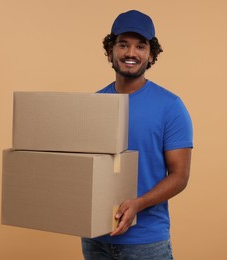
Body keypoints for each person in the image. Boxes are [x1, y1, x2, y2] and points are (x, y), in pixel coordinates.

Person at [81, 10, 193, 259]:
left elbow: (180, 175)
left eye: (140, 46)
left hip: (146, 242)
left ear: (151, 54)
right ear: (110, 50)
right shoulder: (94, 104)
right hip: (95, 238)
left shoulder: (170, 106)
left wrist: (138, 204)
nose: (131, 53)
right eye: (123, 45)